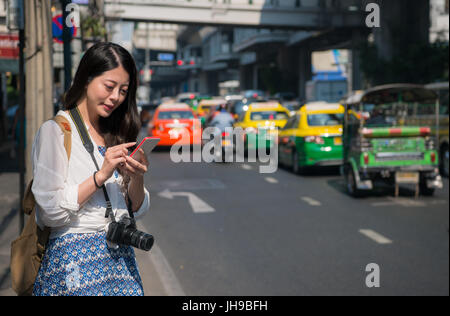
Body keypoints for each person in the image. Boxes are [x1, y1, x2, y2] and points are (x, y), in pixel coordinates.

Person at [31, 42, 150, 296]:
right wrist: (100, 176)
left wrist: (136, 177)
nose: (116, 97)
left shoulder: (115, 133)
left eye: (123, 90)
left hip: (120, 261)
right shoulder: (56, 131)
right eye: (109, 86)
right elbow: (49, 212)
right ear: (86, 78)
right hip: (74, 264)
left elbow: (136, 208)